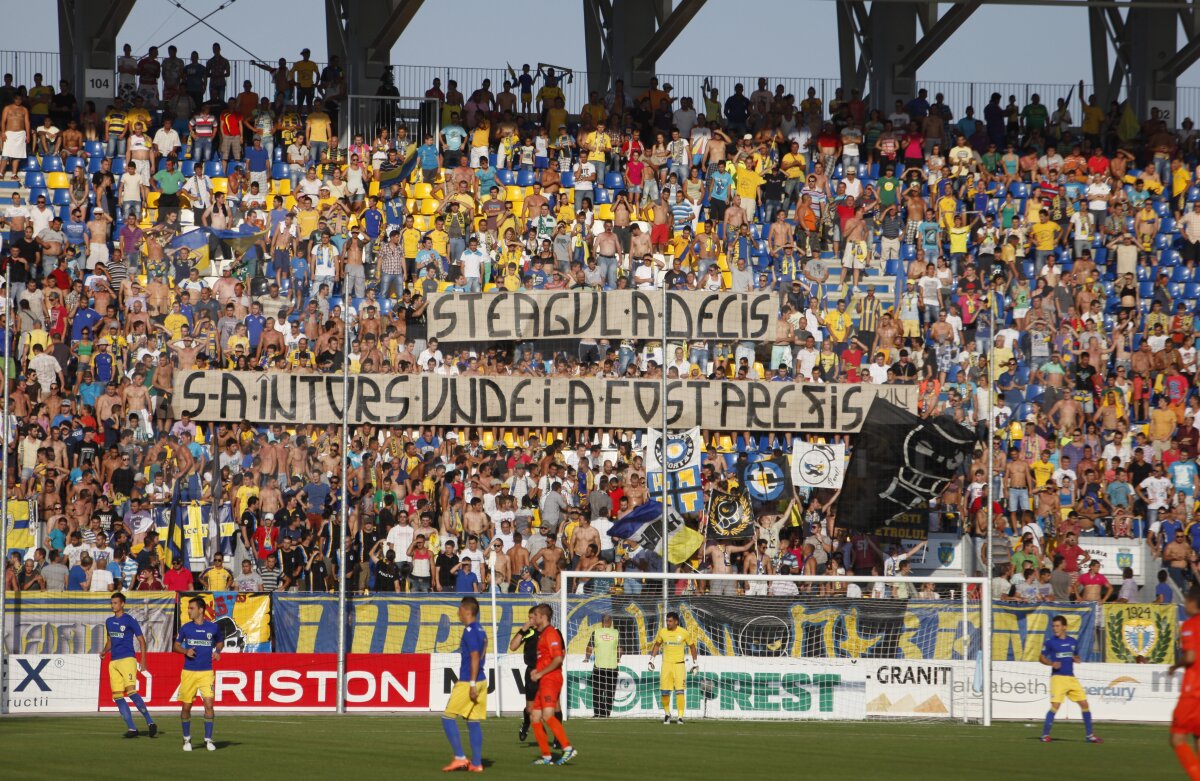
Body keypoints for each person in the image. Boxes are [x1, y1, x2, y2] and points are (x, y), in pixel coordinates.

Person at [440, 595, 487, 773]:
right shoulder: (481, 630)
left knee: (448, 717)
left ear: (467, 611)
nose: (458, 613)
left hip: (469, 680)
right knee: (472, 721)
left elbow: (475, 656)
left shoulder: (470, 631)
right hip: (482, 679)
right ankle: (476, 763)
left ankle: (460, 757)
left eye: (460, 610)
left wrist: (472, 684)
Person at [1039, 614, 1102, 743]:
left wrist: (1076, 659)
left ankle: (1089, 735)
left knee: (1084, 703)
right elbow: (1041, 657)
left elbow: (1076, 656)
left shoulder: (1072, 642)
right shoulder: (1050, 642)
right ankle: (1045, 735)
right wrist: (1051, 663)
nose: (1055, 629)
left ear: (1064, 627)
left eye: (1057, 626)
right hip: (1058, 678)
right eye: (1053, 626)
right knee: (1055, 705)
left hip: (1071, 678)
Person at [101, 592, 156, 738]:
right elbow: (110, 641)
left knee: (131, 691)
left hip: (127, 660)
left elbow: (142, 641)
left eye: (116, 603)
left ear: (122, 604)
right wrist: (104, 651)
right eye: (112, 603)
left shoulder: (130, 620)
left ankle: (150, 722)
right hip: (113, 662)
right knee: (118, 696)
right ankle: (132, 728)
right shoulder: (109, 621)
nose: (113, 605)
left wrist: (143, 661)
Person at [528, 603, 576, 765]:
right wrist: (537, 671)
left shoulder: (552, 634)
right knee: (535, 716)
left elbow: (558, 658)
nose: (533, 618)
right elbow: (546, 659)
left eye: (535, 615)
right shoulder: (542, 635)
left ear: (543, 617)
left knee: (548, 715)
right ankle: (547, 756)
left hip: (551, 679)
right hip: (543, 679)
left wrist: (541, 673)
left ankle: (567, 748)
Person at [174, 595, 223, 752]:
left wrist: (218, 651)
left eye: (191, 608)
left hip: (206, 672)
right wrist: (185, 651)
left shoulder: (213, 627)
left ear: (201, 610)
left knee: (209, 704)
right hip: (188, 672)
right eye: (188, 608)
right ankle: (187, 739)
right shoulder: (186, 628)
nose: (189, 611)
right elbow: (176, 646)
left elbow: (220, 641)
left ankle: (208, 739)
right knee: (186, 707)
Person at [1170, 587, 1200, 780]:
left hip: (1193, 691)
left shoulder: (1189, 625)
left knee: (1177, 737)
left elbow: (1190, 656)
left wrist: (1175, 666)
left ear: (1191, 603)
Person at [649, 610, 698, 724]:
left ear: (676, 622)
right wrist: (651, 660)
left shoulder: (684, 632)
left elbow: (692, 647)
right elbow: (657, 645)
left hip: (679, 665)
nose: (668, 623)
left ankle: (680, 717)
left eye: (670, 621)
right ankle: (667, 714)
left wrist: (695, 663)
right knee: (665, 692)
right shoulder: (663, 632)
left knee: (680, 691)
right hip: (666, 665)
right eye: (667, 621)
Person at [585, 614, 621, 718]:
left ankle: (597, 713)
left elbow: (589, 648)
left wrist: (587, 658)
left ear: (602, 622)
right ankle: (606, 713)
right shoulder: (616, 633)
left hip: (598, 666)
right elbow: (620, 649)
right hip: (612, 667)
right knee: (610, 691)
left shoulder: (596, 632)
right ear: (611, 622)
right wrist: (618, 659)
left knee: (597, 691)